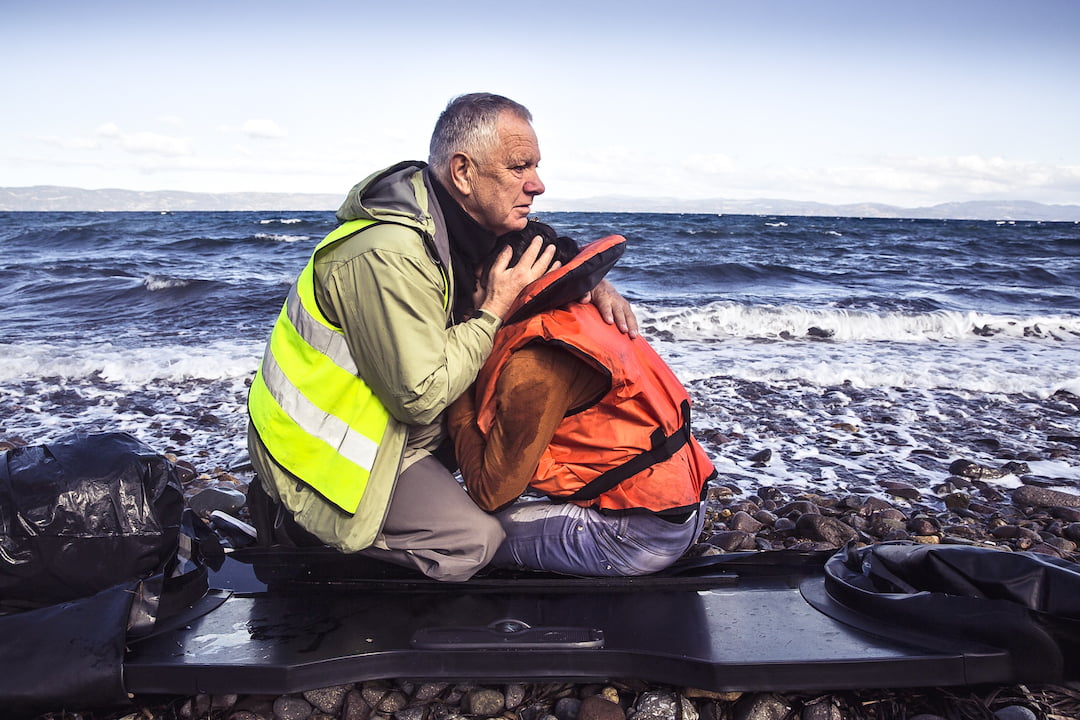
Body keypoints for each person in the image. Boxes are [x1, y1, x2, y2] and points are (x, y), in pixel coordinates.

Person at [245, 93, 637, 582]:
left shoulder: (467, 222)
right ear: (463, 172)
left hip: (390, 426)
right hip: (324, 453)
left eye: (535, 166)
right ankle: (296, 526)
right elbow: (421, 397)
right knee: (474, 542)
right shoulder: (386, 254)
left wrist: (596, 284)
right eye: (519, 168)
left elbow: (546, 244)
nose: (537, 184)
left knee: (515, 420)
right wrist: (494, 308)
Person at [447, 221, 717, 576]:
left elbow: (490, 494)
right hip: (682, 509)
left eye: (483, 285)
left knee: (465, 535)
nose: (472, 303)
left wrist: (458, 389)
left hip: (633, 536)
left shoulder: (533, 364)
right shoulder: (580, 312)